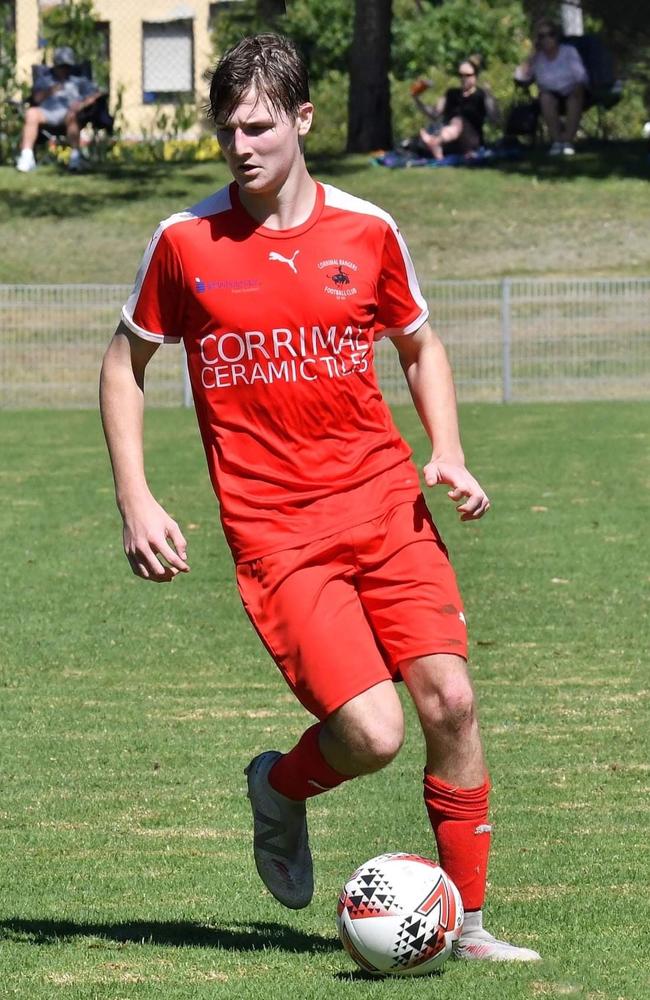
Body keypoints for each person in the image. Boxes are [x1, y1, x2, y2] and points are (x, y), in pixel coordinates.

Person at [99, 33, 541, 963]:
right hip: (279, 534)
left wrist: (448, 448)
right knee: (373, 735)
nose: (241, 146)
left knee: (451, 702)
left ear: (303, 119)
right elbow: (124, 362)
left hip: (385, 504)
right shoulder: (184, 242)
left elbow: (419, 343)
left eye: (259, 126)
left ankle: (467, 925)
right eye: (228, 131)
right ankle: (281, 788)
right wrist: (136, 498)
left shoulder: (368, 230)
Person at [16, 46, 102, 173]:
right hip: (46, 113)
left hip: (69, 114)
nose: (64, 69)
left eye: (67, 66)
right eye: (62, 66)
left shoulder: (78, 80)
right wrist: (50, 91)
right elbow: (36, 99)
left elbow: (97, 93)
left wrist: (81, 104)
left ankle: (75, 157)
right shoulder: (45, 79)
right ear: (55, 65)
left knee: (72, 115)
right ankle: (26, 157)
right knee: (31, 113)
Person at [514, 19, 588, 156]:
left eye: (550, 34)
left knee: (576, 95)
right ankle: (557, 142)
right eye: (542, 36)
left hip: (572, 91)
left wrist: (577, 87)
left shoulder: (569, 52)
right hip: (549, 95)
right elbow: (519, 78)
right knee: (546, 98)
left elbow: (581, 76)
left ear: (556, 36)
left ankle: (567, 141)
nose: (547, 39)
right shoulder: (537, 58)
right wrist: (532, 56)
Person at [413, 57, 498, 161]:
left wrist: (489, 96)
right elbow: (434, 114)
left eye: (467, 75)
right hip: (449, 137)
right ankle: (435, 143)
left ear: (475, 76)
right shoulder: (451, 93)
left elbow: (495, 119)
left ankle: (435, 142)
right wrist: (417, 100)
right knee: (437, 127)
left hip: (470, 139)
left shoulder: (481, 95)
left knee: (458, 121)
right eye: (461, 75)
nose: (463, 79)